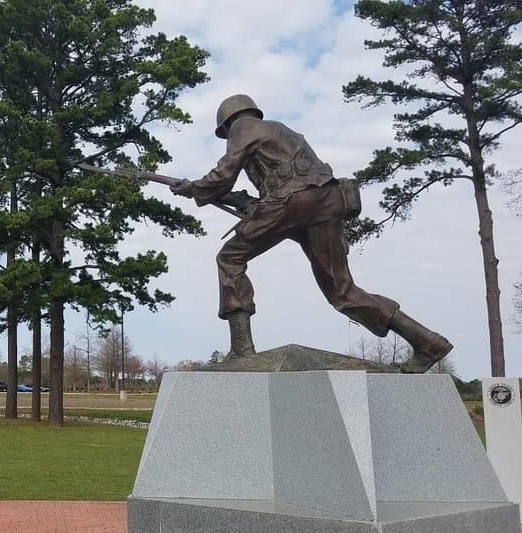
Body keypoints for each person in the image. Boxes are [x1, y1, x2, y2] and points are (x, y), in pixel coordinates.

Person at [171, 94, 451, 373]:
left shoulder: (242, 127)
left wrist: (194, 188)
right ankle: (428, 342)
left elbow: (224, 174)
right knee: (343, 291)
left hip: (292, 202)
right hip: (325, 201)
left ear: (228, 123)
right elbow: (283, 183)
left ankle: (242, 348)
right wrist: (242, 201)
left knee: (229, 259)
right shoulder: (283, 131)